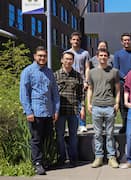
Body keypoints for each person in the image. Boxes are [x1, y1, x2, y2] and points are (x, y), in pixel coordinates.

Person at [20, 46, 60, 175]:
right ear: (35, 56)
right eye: (40, 56)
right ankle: (37, 163)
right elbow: (24, 93)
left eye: (44, 56)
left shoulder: (49, 72)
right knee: (36, 139)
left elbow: (55, 93)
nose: (42, 58)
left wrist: (56, 110)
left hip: (48, 112)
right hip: (35, 112)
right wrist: (29, 111)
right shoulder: (28, 71)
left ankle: (45, 161)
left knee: (46, 138)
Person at [87, 49, 120, 168]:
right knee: (98, 134)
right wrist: (89, 104)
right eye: (101, 55)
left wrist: (116, 103)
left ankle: (111, 157)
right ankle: (99, 157)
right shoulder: (91, 72)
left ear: (108, 58)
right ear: (97, 57)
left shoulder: (114, 72)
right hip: (96, 106)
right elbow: (90, 89)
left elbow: (118, 89)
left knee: (110, 133)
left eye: (105, 55)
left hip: (109, 106)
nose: (103, 57)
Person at [54, 51, 85, 167]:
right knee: (60, 136)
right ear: (62, 60)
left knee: (73, 136)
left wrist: (82, 108)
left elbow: (81, 94)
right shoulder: (55, 75)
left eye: (70, 59)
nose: (68, 61)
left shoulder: (77, 75)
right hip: (59, 112)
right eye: (66, 59)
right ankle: (62, 159)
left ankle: (73, 159)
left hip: (73, 111)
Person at [65, 31, 90, 133]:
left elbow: (87, 68)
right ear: (70, 40)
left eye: (77, 40)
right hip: (69, 80)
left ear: (80, 41)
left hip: (81, 80)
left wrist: (86, 81)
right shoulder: (66, 53)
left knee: (81, 103)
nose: (75, 41)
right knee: (69, 103)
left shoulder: (85, 53)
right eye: (74, 39)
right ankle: (70, 125)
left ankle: (82, 124)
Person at [113, 33, 131, 134]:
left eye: (128, 40)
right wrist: (124, 76)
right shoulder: (117, 54)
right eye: (125, 40)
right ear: (121, 42)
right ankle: (125, 125)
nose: (126, 42)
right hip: (122, 83)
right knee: (123, 105)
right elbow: (115, 68)